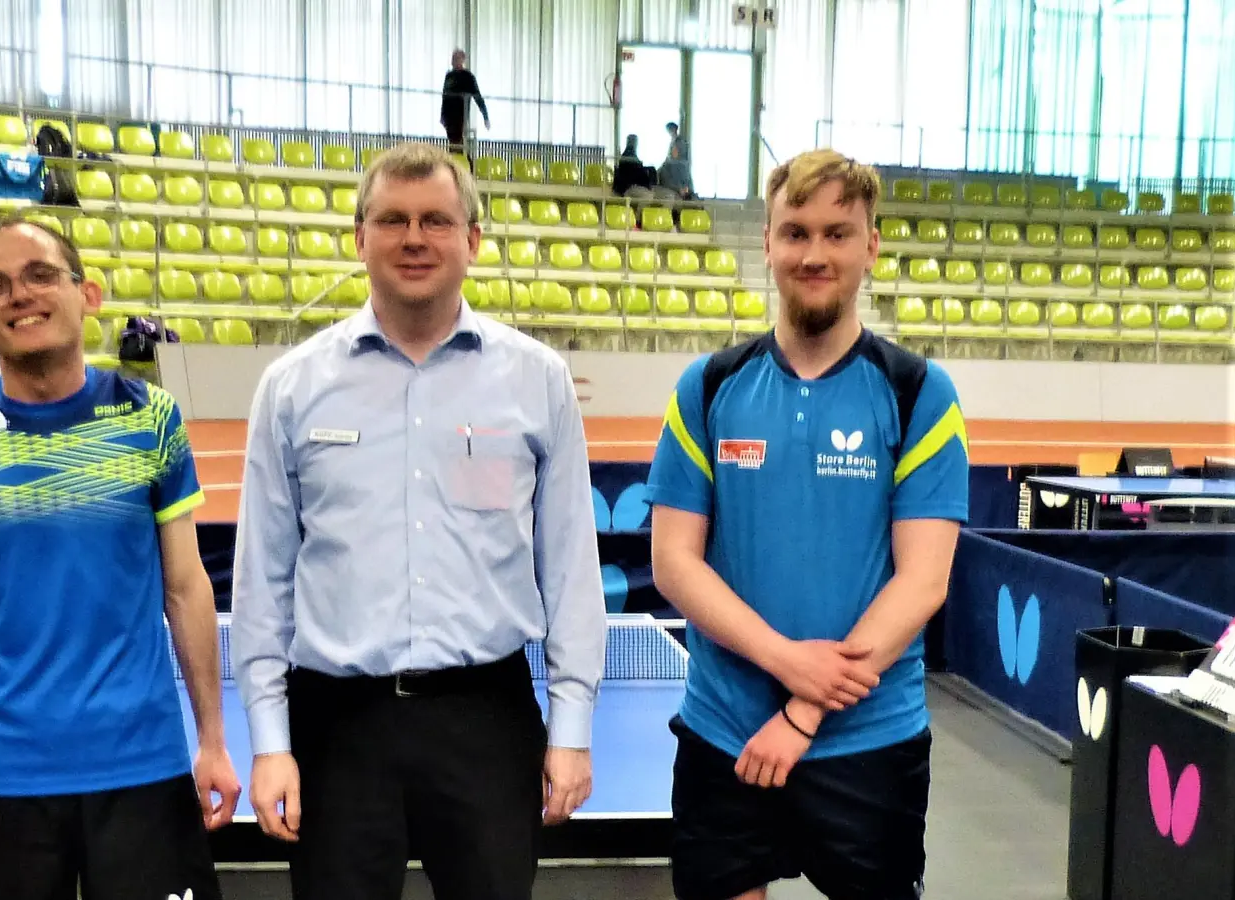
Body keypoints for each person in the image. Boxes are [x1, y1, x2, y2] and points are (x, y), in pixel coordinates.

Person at [229, 141, 607, 900]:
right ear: (358, 237)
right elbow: (263, 580)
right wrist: (269, 742)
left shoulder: (538, 380)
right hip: (338, 726)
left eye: (437, 220)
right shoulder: (292, 387)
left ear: (472, 240)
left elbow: (569, 569)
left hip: (487, 722)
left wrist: (570, 727)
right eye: (392, 219)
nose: (413, 238)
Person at [0, 216, 241, 900]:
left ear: (89, 295)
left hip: (141, 761)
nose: (20, 294)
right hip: (0, 772)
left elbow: (187, 585)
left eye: (41, 274)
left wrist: (213, 741)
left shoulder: (148, 416)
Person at [646, 148, 970, 900]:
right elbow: (675, 564)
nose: (814, 253)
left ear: (870, 246)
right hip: (723, 730)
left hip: (871, 740)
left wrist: (801, 711)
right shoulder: (709, 386)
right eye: (795, 232)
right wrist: (789, 663)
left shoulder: (919, 392)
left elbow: (922, 582)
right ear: (767, 243)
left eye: (836, 233)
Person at [440, 49, 490, 161]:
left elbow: (478, 97)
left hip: (460, 114)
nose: (454, 61)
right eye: (453, 59)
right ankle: (461, 165)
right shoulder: (449, 76)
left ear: (462, 60)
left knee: (458, 142)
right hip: (449, 116)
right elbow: (445, 97)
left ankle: (468, 166)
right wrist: (442, 116)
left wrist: (485, 117)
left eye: (457, 59)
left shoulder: (468, 77)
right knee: (454, 143)